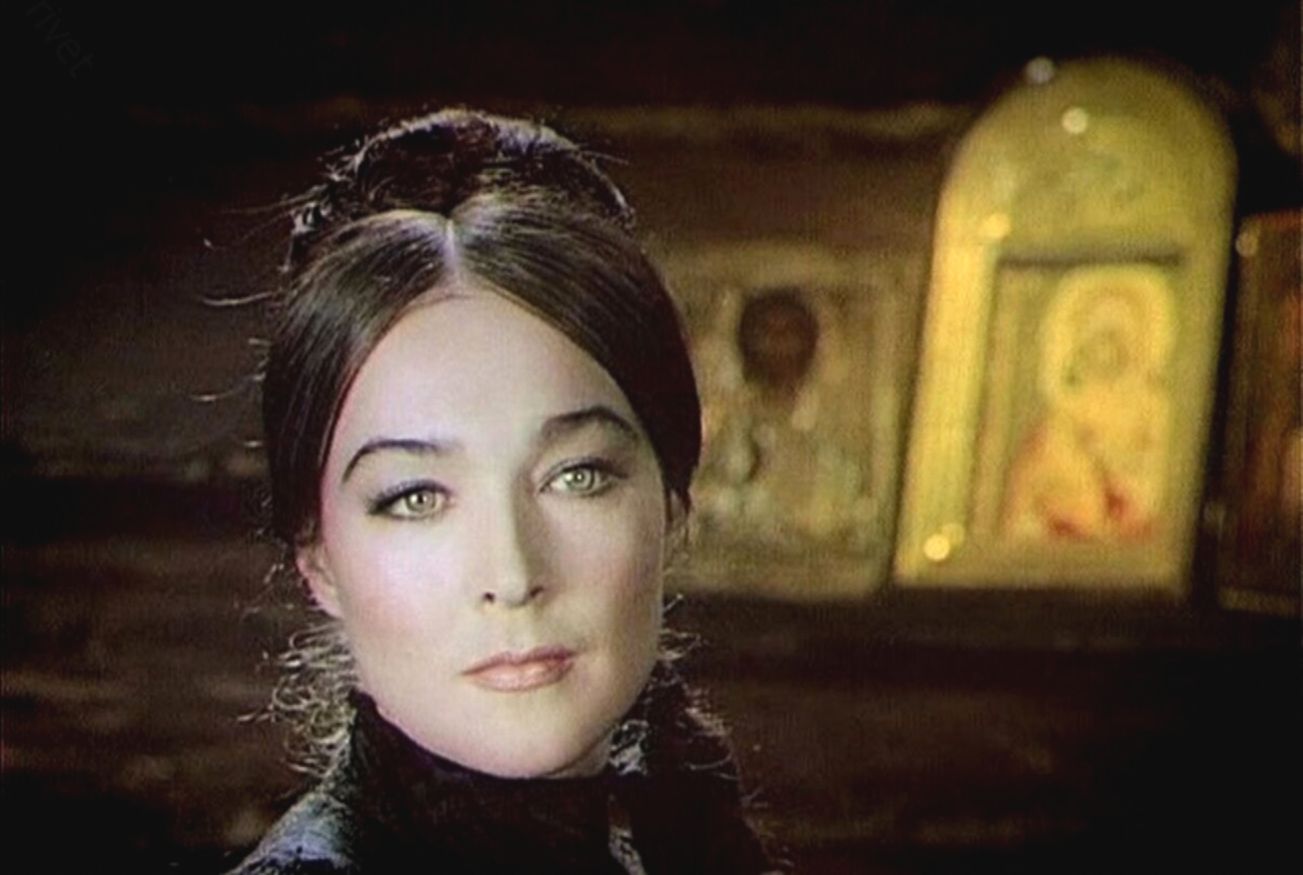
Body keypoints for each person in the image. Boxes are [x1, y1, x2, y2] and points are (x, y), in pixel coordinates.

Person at [225, 109, 781, 874]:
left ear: (671, 502)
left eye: (575, 475)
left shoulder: (683, 830)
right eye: (416, 497)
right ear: (317, 556)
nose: (513, 575)